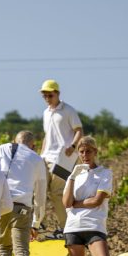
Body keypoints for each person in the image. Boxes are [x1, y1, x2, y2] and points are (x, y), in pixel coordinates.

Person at [63, 136, 114, 256]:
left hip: (94, 225)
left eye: (88, 151)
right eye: (82, 151)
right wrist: (73, 177)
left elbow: (97, 201)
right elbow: (66, 202)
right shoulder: (73, 175)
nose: (85, 155)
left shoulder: (104, 173)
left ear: (95, 152)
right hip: (73, 226)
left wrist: (77, 204)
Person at [39, 79, 82, 237]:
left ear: (57, 93)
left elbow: (79, 130)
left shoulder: (68, 110)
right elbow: (47, 136)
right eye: (44, 95)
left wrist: (72, 146)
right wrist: (40, 155)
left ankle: (66, 228)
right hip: (46, 157)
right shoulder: (45, 113)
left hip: (63, 158)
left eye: (50, 95)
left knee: (57, 193)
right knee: (39, 190)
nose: (47, 98)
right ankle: (38, 225)